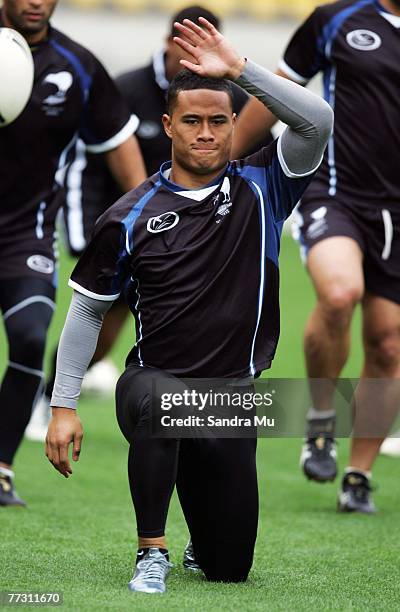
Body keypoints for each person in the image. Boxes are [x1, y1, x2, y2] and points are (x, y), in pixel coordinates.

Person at [46, 17, 332, 594]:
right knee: (159, 400)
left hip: (230, 399)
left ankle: (207, 540)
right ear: (168, 125)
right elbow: (87, 311)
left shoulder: (263, 190)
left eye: (218, 121)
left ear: (233, 126)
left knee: (229, 570)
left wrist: (241, 70)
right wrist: (63, 406)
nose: (206, 133)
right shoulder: (128, 216)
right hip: (154, 385)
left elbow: (316, 119)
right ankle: (151, 549)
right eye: (193, 121)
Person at [27, 4, 274, 441]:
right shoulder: (128, 88)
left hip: (191, 227)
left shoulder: (227, 97)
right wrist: (91, 227)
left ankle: (190, 407)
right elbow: (89, 155)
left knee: (136, 324)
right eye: (190, 46)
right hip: (126, 223)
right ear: (168, 44)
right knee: (101, 311)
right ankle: (52, 396)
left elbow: (279, 136)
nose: (206, 129)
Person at [232, 0, 400, 513]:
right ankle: (322, 417)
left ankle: (358, 476)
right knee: (339, 292)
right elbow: (283, 87)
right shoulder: (337, 19)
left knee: (389, 345)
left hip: (397, 212)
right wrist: (227, 152)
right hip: (336, 193)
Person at [0, 0, 147, 506]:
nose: (35, 2)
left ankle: (0, 468)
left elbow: (121, 149)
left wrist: (153, 223)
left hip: (27, 235)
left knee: (29, 334)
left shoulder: (77, 66)